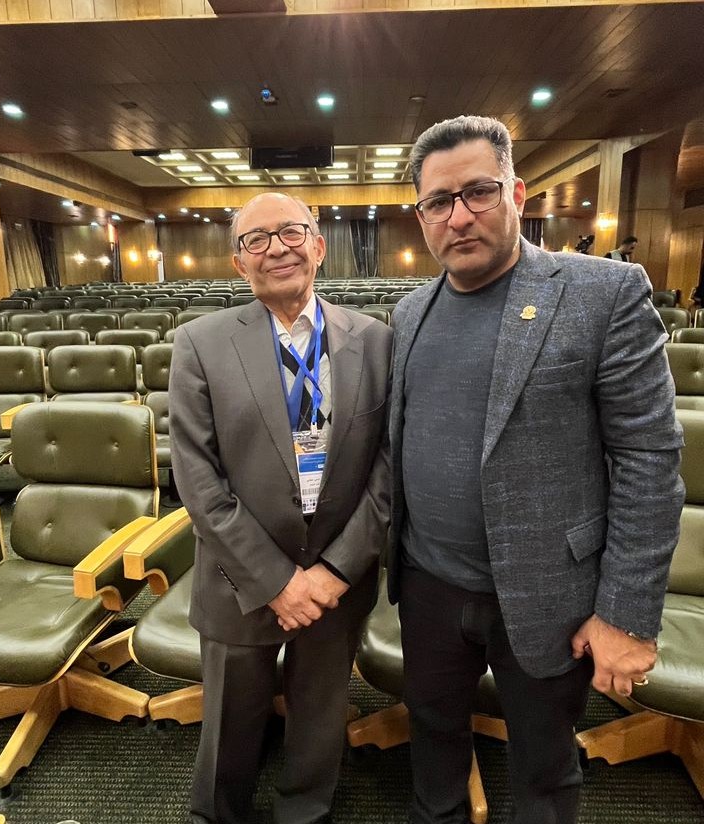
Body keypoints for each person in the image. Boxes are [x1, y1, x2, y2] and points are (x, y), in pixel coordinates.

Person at [387, 115, 684, 824]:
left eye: (478, 192)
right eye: (438, 202)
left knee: (544, 769)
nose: (459, 216)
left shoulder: (603, 292)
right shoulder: (409, 311)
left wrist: (625, 615)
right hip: (428, 586)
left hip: (550, 590)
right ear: (422, 216)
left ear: (517, 193)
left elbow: (649, 460)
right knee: (432, 740)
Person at [169, 192, 392, 824]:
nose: (277, 249)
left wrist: (335, 571)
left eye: (291, 233)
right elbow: (198, 480)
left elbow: (388, 469)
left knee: (320, 718)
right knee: (229, 723)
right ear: (239, 263)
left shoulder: (377, 341)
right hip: (239, 577)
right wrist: (275, 581)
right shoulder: (200, 342)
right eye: (256, 240)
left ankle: (305, 813)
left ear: (319, 246)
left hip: (337, 578)